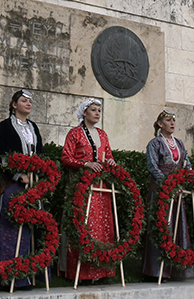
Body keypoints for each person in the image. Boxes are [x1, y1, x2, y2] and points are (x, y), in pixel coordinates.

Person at [0, 90, 45, 290]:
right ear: (13, 104)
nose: (28, 103)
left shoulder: (33, 127)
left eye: (30, 101)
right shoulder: (4, 127)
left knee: (31, 229)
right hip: (12, 184)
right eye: (23, 100)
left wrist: (38, 174)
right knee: (8, 228)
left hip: (33, 186)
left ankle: (25, 277)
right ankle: (1, 277)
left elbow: (41, 154)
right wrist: (18, 174)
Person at [60, 98, 117, 283]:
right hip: (81, 187)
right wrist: (85, 164)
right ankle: (81, 272)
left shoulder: (103, 134)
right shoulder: (74, 133)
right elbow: (66, 158)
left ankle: (100, 271)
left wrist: (110, 161)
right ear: (84, 113)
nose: (97, 113)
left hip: (100, 188)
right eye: (93, 110)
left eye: (99, 110)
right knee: (83, 225)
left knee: (101, 225)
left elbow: (108, 155)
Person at [142, 110, 193, 281]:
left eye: (173, 120)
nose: (172, 123)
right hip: (161, 190)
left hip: (177, 189)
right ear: (159, 124)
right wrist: (167, 184)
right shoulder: (154, 143)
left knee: (178, 224)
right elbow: (152, 166)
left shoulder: (179, 143)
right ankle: (157, 271)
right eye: (167, 120)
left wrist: (187, 178)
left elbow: (186, 163)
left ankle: (177, 269)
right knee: (162, 225)